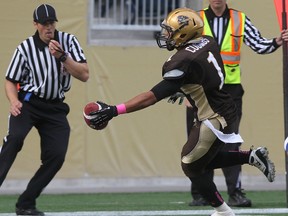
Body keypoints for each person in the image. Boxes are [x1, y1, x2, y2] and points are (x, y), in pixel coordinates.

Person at [88, 8, 276, 216]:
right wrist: (184, 87)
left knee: (190, 165)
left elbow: (152, 96)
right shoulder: (207, 41)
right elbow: (205, 73)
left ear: (184, 34)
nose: (166, 35)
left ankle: (223, 211)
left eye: (170, 31)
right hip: (223, 105)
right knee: (201, 161)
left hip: (213, 116)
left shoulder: (181, 62)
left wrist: (115, 110)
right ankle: (251, 156)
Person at [169, 0, 284, 207]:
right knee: (197, 142)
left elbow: (259, 45)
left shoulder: (240, 19)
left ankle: (235, 192)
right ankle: (201, 193)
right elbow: (182, 55)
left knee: (230, 140)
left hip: (229, 90)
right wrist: (183, 88)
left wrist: (277, 41)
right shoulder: (196, 18)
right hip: (199, 89)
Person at [1, 4, 89, 216]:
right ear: (36, 24)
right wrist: (14, 101)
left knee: (56, 156)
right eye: (44, 24)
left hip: (55, 107)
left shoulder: (68, 41)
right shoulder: (25, 48)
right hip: (28, 103)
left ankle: (26, 203)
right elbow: (10, 81)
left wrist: (62, 57)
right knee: (15, 139)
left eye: (52, 23)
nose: (49, 27)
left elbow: (84, 74)